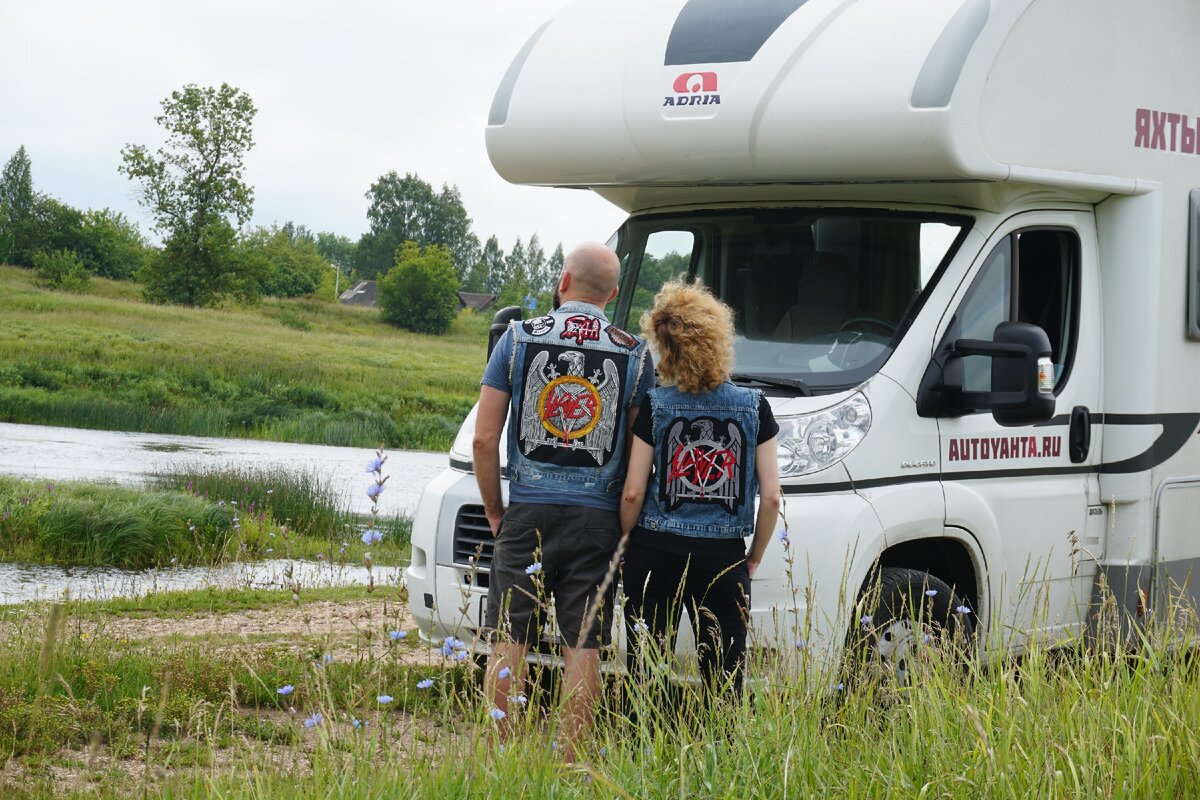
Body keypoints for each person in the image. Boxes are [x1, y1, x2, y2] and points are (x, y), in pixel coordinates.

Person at [474, 241, 654, 757]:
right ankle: (572, 762)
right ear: (614, 293)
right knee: (584, 643)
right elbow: (639, 451)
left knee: (510, 638)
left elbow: (484, 439)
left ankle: (501, 758)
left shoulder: (516, 339)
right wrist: (625, 518)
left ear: (562, 280)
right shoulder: (634, 354)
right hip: (597, 519)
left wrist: (494, 509)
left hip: (526, 508)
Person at [619, 277, 782, 700]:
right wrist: (753, 557)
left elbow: (634, 492)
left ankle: (641, 753)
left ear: (665, 346)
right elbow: (773, 498)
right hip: (723, 557)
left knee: (646, 673)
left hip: (654, 552)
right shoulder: (754, 406)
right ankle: (722, 758)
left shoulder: (655, 405)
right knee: (724, 681)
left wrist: (624, 543)